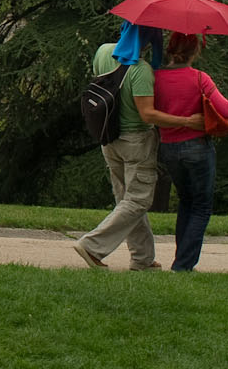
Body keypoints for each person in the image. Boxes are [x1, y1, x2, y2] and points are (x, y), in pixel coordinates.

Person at [70, 21, 202, 271]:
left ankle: (142, 259)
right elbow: (148, 115)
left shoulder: (103, 52)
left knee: (127, 202)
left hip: (109, 138)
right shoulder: (140, 70)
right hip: (135, 143)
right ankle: (92, 246)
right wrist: (188, 121)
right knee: (138, 201)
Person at [151, 31, 228, 271]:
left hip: (168, 147)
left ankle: (182, 259)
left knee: (186, 202)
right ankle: (184, 264)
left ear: (170, 50)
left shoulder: (156, 78)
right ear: (195, 51)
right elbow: (227, 111)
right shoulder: (200, 78)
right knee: (201, 206)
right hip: (198, 146)